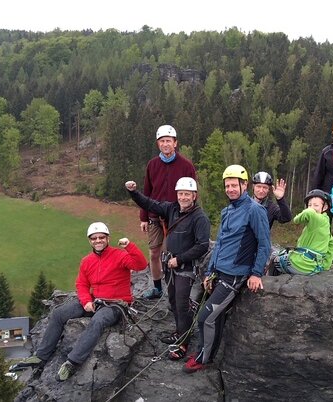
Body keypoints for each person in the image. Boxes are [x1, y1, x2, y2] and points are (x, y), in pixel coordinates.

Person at [14, 222, 148, 381]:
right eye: (94, 238)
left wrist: (129, 246)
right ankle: (41, 356)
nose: (98, 241)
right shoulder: (87, 261)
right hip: (95, 300)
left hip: (116, 304)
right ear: (90, 241)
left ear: (107, 238)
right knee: (59, 314)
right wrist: (85, 301)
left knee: (98, 321)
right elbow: (82, 284)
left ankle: (72, 362)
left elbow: (141, 265)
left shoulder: (120, 255)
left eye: (101, 237)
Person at [184, 165, 271, 374]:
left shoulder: (255, 210)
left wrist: (256, 273)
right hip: (220, 271)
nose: (230, 189)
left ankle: (204, 359)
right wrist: (209, 272)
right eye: (227, 186)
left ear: (244, 185)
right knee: (216, 315)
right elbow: (221, 243)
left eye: (234, 185)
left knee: (206, 316)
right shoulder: (228, 210)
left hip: (235, 275)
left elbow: (264, 244)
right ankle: (204, 351)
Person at [124, 177, 211, 360]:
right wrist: (133, 192)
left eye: (187, 194)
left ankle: (183, 343)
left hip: (184, 267)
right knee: (173, 302)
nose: (184, 197)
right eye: (181, 194)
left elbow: (202, 245)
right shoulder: (171, 209)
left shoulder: (199, 217)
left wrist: (179, 259)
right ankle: (179, 332)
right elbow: (149, 204)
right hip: (170, 265)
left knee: (181, 304)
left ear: (194, 196)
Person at [139, 124, 197, 300]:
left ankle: (175, 290)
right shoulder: (152, 165)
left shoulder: (186, 166)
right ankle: (157, 288)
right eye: (162, 141)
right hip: (155, 217)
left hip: (177, 218)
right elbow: (146, 193)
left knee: (172, 254)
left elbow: (193, 193)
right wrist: (143, 217)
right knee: (154, 253)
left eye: (168, 141)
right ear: (158, 144)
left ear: (175, 143)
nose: (165, 144)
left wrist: (190, 217)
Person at [270, 189, 333, 275]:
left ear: (325, 207)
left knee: (274, 258)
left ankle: (268, 285)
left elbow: (309, 212)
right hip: (315, 266)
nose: (312, 207)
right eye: (309, 205)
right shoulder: (325, 224)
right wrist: (325, 265)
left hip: (302, 264)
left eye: (316, 205)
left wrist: (297, 219)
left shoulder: (317, 219)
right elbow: (332, 244)